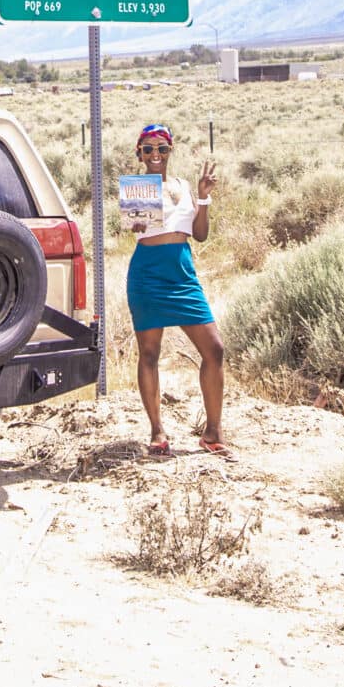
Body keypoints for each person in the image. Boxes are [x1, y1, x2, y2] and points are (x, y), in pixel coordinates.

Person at [121, 122, 230, 458]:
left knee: (214, 350)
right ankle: (157, 432)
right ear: (139, 153)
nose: (156, 155)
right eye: (149, 149)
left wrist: (204, 197)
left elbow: (200, 235)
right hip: (147, 274)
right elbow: (134, 227)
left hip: (182, 275)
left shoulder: (184, 186)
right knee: (150, 354)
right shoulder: (137, 188)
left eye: (162, 148)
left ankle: (212, 433)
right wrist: (135, 223)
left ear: (171, 151)